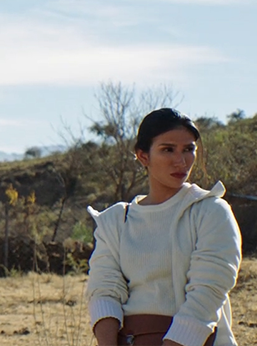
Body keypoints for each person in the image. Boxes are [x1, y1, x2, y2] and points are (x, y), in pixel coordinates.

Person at [86, 108, 242, 346]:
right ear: (143, 156)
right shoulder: (116, 221)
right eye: (168, 149)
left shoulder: (210, 212)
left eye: (188, 149)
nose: (181, 161)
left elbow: (207, 294)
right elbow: (104, 290)